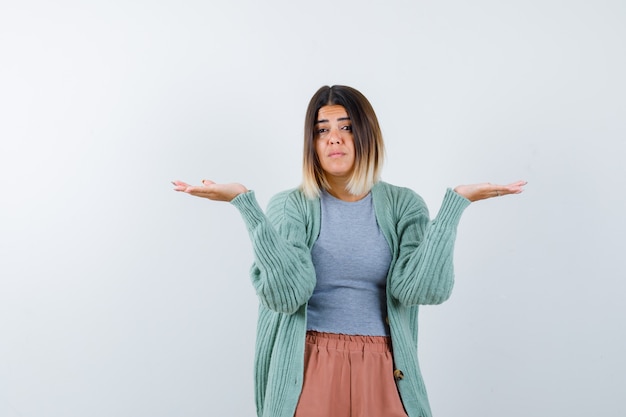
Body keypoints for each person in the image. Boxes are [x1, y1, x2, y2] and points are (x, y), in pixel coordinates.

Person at [173, 85, 526, 417]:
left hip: (385, 367)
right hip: (310, 365)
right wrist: (246, 206)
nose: (334, 138)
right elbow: (285, 296)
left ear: (367, 135)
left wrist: (455, 206)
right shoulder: (291, 206)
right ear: (311, 143)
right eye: (321, 130)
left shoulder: (404, 205)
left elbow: (422, 290)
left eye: (346, 127)